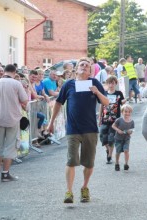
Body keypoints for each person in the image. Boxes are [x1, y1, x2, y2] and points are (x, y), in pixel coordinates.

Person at [47, 57, 109, 203]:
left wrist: (97, 93)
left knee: (89, 163)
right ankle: (69, 191)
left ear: (90, 71)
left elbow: (106, 102)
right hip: (73, 129)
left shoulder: (94, 83)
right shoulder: (69, 84)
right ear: (76, 69)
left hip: (90, 129)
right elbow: (58, 103)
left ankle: (84, 187)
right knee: (71, 161)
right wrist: (51, 123)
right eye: (81, 65)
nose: (84, 67)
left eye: (87, 66)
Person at [0, 64, 28, 182]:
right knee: (10, 146)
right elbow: (24, 100)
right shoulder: (16, 84)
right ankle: (5, 173)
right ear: (14, 72)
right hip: (13, 118)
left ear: (4, 72)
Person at [99, 75, 125, 164]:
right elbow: (101, 105)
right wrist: (99, 117)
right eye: (109, 83)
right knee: (102, 136)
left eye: (113, 83)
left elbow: (122, 104)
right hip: (105, 118)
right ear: (107, 84)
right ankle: (108, 149)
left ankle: (109, 156)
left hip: (115, 119)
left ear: (115, 84)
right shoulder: (104, 93)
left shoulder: (119, 93)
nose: (111, 85)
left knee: (111, 138)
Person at [111, 104, 134, 171]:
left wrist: (130, 131)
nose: (127, 113)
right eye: (126, 111)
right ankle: (117, 163)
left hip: (126, 138)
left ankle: (126, 164)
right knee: (118, 152)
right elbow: (113, 126)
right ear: (122, 112)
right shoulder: (119, 120)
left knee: (126, 150)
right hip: (118, 139)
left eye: (129, 112)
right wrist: (118, 130)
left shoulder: (132, 121)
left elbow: (132, 129)